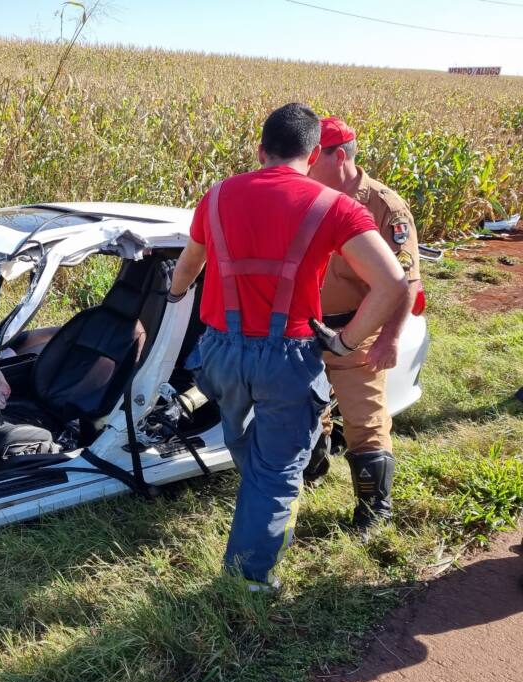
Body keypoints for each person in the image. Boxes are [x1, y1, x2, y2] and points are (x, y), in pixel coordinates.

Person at [168, 103, 407, 590]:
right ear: (315, 151)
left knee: (251, 453)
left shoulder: (215, 197)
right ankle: (250, 579)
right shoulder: (334, 206)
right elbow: (393, 284)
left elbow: (188, 267)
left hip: (220, 354)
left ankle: (265, 513)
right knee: (276, 471)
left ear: (260, 150)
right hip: (287, 356)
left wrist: (172, 297)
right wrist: (344, 343)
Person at [307, 116, 422, 536]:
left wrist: (390, 337)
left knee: (364, 419)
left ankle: (374, 509)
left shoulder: (383, 206)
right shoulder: (308, 195)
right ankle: (313, 469)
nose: (305, 163)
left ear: (339, 157)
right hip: (308, 326)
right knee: (309, 409)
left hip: (359, 329)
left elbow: (406, 280)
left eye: (313, 157)